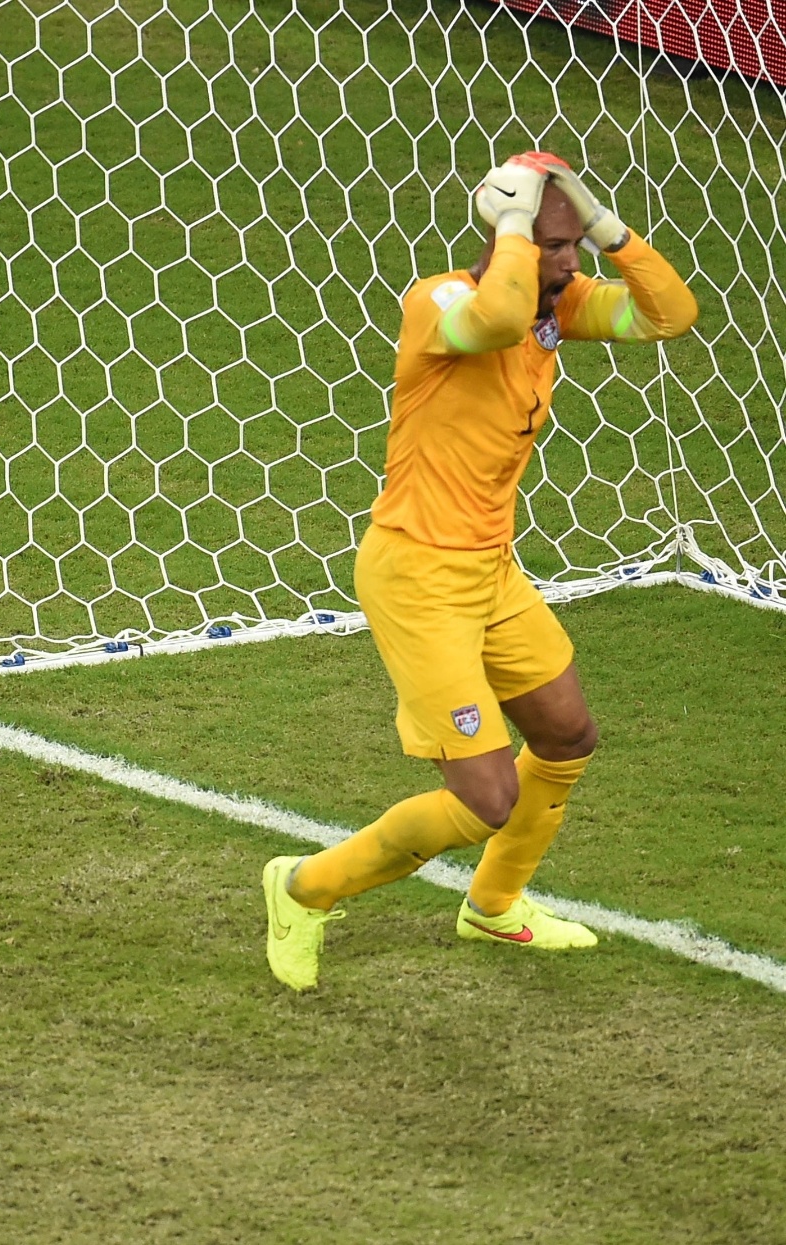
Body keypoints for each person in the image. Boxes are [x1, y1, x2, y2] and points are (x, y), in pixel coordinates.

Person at [262, 153, 699, 990]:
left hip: (490, 570)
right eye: (555, 246)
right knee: (486, 797)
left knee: (568, 736)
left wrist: (609, 229)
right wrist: (513, 224)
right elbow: (496, 316)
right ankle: (303, 887)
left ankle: (494, 906)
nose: (571, 265)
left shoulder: (553, 307)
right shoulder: (443, 303)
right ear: (504, 240)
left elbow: (670, 314)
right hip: (418, 577)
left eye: (575, 246)